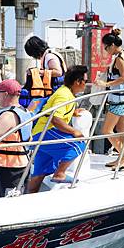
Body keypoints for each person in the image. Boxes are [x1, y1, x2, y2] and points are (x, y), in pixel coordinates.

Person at [26, 65, 88, 194]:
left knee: (39, 172)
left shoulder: (66, 92)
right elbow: (56, 119)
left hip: (40, 133)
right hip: (47, 132)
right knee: (79, 144)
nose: (86, 84)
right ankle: (60, 173)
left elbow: (58, 111)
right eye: (85, 81)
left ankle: (28, 196)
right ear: (78, 82)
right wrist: (73, 131)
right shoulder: (64, 95)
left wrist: (73, 112)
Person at [95, 28, 124, 170]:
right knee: (121, 129)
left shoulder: (119, 59)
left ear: (112, 45)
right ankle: (121, 157)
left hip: (119, 99)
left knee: (107, 130)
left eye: (106, 47)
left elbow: (123, 77)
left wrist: (105, 84)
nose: (105, 50)